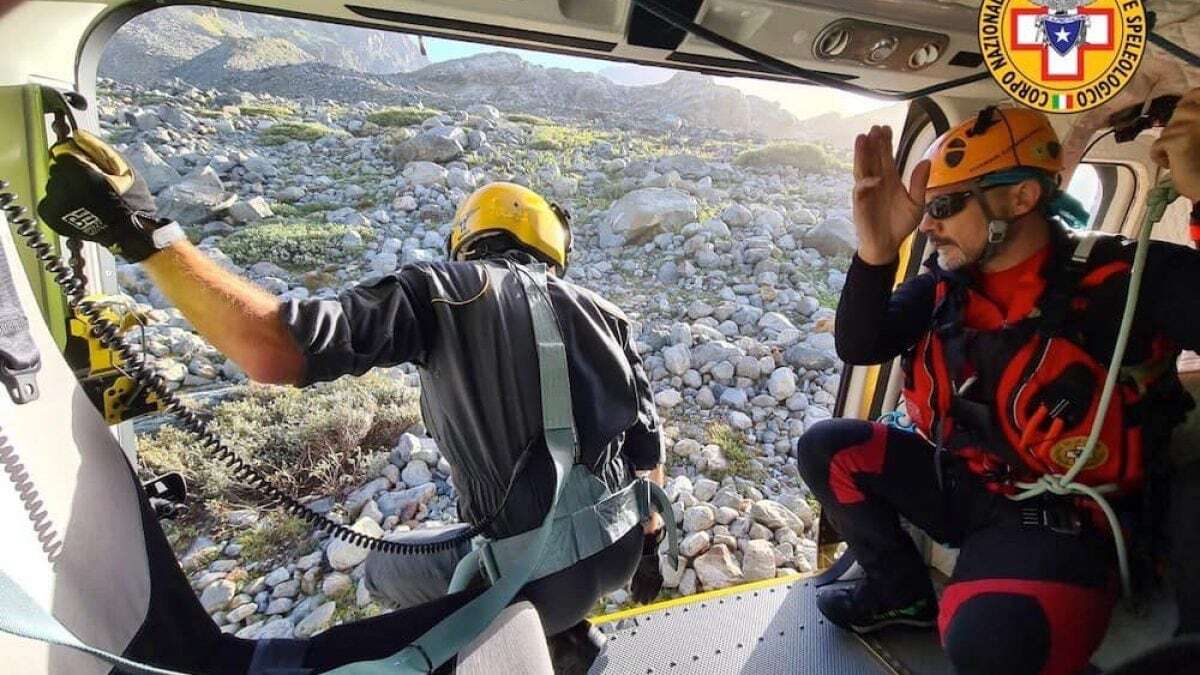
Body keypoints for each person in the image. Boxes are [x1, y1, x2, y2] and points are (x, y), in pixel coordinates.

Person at [35, 131, 670, 672]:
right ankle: (569, 642)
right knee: (531, 561)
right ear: (553, 248)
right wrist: (642, 552)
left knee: (379, 573)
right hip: (616, 553)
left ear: (468, 238)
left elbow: (272, 348)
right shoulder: (606, 312)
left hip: (524, 577)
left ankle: (516, 638)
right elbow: (648, 451)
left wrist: (146, 235)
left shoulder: (443, 290)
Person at [794, 91, 1200, 675]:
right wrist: (879, 252)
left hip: (1066, 516)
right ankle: (899, 592)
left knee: (990, 643)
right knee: (828, 447)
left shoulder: (1125, 280)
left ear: (1022, 197)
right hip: (963, 484)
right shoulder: (947, 285)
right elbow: (859, 345)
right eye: (927, 207)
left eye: (946, 206)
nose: (928, 225)